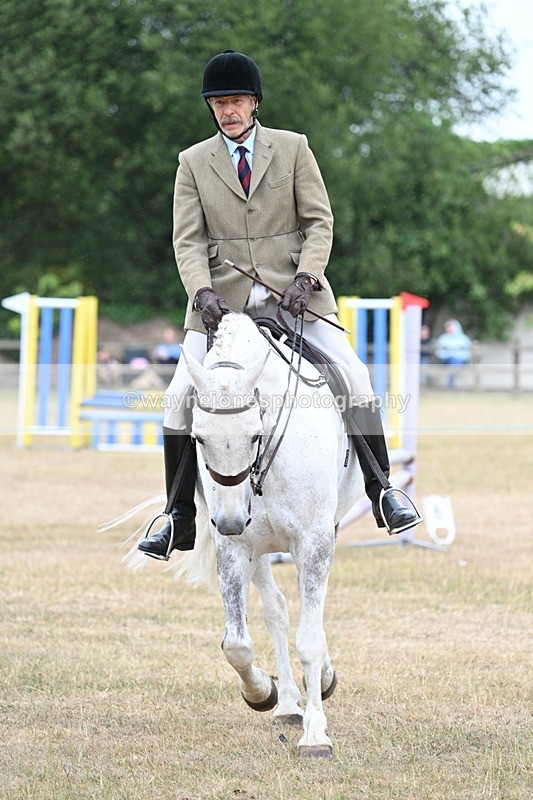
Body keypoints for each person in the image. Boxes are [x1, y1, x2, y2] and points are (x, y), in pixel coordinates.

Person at [138, 50, 421, 560]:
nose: (228, 111)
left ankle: (383, 490)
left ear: (254, 102)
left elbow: (319, 223)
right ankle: (177, 515)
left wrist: (306, 277)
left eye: (236, 101)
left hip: (296, 298)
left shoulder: (293, 148)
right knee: (178, 396)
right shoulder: (192, 162)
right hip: (220, 306)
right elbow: (187, 240)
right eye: (219, 103)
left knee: (355, 376)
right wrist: (201, 292)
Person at [435, 319, 472, 388]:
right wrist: (450, 353)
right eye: (448, 328)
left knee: (455, 361)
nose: (449, 329)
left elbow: (467, 352)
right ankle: (454, 379)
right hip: (446, 360)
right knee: (453, 361)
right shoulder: (443, 338)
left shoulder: (463, 339)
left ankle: (452, 381)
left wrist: (455, 354)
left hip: (460, 360)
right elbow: (439, 352)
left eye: (451, 327)